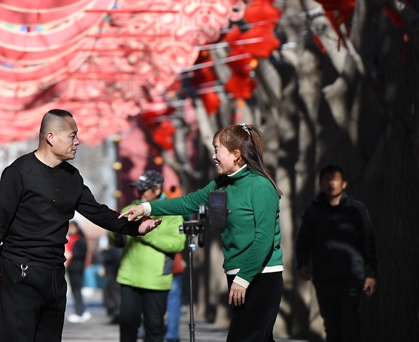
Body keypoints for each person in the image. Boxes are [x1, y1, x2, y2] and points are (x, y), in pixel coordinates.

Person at [0, 109, 161, 342]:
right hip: (19, 272)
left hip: (55, 274)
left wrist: (134, 228)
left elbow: (96, 212)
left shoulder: (71, 177)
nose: (78, 142)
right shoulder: (18, 173)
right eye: (72, 135)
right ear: (51, 137)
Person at [122, 124, 283, 342]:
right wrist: (146, 208)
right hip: (239, 273)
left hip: (260, 276)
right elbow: (189, 202)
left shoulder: (260, 186)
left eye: (218, 150)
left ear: (236, 154)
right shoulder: (222, 183)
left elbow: (263, 239)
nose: (214, 156)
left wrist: (244, 278)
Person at [295, 164, 377, 342]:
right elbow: (303, 240)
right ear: (320, 183)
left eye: (335, 179)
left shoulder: (356, 210)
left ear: (344, 184)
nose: (330, 183)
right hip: (324, 277)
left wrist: (370, 274)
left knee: (350, 322)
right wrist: (302, 264)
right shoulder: (313, 211)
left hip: (352, 277)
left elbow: (368, 242)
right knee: (331, 326)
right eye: (326, 180)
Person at [116, 170, 185, 342]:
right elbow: (116, 241)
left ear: (157, 189)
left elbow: (177, 244)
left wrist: (146, 233)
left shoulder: (172, 212)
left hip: (156, 280)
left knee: (154, 327)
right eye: (137, 189)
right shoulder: (128, 209)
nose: (139, 193)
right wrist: (115, 230)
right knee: (127, 326)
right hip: (129, 278)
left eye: (144, 189)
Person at [163, 185, 186, 342]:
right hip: (175, 264)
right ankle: (172, 334)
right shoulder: (181, 213)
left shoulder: (164, 211)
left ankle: (168, 332)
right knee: (173, 302)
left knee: (157, 301)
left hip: (168, 264)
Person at [65, 221, 89, 322]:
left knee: (77, 290)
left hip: (77, 267)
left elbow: (80, 254)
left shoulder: (80, 240)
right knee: (74, 290)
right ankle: (78, 311)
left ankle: (80, 311)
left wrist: (70, 255)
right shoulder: (69, 239)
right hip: (70, 267)